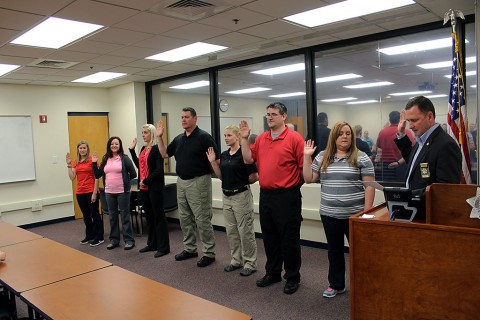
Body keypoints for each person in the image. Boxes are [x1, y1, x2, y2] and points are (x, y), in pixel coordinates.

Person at [303, 121, 375, 298]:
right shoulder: (322, 156)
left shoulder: (361, 157)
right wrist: (306, 157)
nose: (345, 136)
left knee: (360, 253)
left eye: (348, 133)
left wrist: (365, 212)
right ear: (334, 137)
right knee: (334, 251)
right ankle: (336, 285)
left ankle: (365, 286)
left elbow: (370, 186)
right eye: (341, 133)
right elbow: (308, 179)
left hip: (354, 215)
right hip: (329, 214)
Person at [240, 102, 304, 295]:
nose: (270, 118)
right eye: (268, 114)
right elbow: (247, 159)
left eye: (274, 114)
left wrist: (292, 185)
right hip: (266, 195)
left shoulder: (295, 138)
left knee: (289, 239)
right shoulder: (261, 139)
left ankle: (292, 277)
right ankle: (273, 272)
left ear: (284, 116)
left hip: (287, 196)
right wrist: (244, 139)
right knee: (270, 237)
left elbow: (304, 168)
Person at [156, 107, 219, 268]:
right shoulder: (179, 139)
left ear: (195, 118)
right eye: (182, 117)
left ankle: (209, 252)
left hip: (199, 181)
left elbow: (215, 160)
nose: (183, 119)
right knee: (184, 217)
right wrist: (159, 137)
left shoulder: (204, 137)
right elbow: (164, 154)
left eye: (186, 117)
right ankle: (190, 248)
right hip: (182, 182)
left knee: (202, 218)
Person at [206, 125, 259, 277]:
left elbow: (254, 177)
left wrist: (240, 182)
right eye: (225, 135)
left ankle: (250, 263)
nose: (226, 138)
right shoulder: (224, 155)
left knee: (245, 231)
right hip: (226, 196)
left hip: (241, 196)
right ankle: (236, 260)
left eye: (229, 135)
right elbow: (221, 176)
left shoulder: (243, 154)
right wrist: (213, 163)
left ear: (237, 136)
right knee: (231, 231)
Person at [395, 96, 461, 196]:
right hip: (413, 208)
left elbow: (445, 189)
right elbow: (413, 161)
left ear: (430, 117)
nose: (410, 126)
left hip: (428, 210)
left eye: (414, 120)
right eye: (409, 121)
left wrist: (408, 196)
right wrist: (401, 134)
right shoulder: (422, 140)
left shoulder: (446, 145)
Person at [129, 124, 170, 258]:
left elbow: (159, 170)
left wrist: (146, 181)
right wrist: (132, 151)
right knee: (150, 217)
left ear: (152, 133)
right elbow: (139, 166)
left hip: (154, 187)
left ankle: (163, 247)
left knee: (159, 217)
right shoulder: (143, 148)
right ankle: (152, 243)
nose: (143, 135)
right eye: (142, 132)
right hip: (144, 188)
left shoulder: (156, 148)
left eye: (145, 132)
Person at [92, 137, 137, 250]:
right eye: (112, 144)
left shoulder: (124, 158)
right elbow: (98, 175)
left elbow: (133, 174)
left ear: (120, 145)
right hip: (109, 192)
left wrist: (125, 182)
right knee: (112, 217)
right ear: (109, 145)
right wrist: (94, 163)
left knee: (124, 216)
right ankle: (114, 240)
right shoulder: (106, 158)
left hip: (123, 192)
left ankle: (129, 240)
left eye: (116, 144)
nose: (114, 146)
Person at [66, 141, 104, 246]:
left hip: (91, 190)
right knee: (86, 216)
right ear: (78, 150)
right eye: (80, 148)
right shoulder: (76, 162)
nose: (82, 150)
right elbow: (72, 177)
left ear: (87, 149)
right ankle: (89, 235)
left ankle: (99, 237)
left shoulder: (93, 160)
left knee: (94, 214)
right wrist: (69, 165)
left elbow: (97, 177)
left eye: (84, 148)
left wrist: (95, 193)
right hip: (80, 192)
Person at [376, 110, 414, 181]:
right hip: (401, 165)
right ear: (399, 120)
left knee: (387, 189)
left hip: (386, 167)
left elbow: (379, 149)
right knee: (402, 188)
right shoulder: (406, 132)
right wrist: (398, 163)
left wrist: (377, 163)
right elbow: (411, 151)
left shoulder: (382, 132)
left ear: (389, 120)